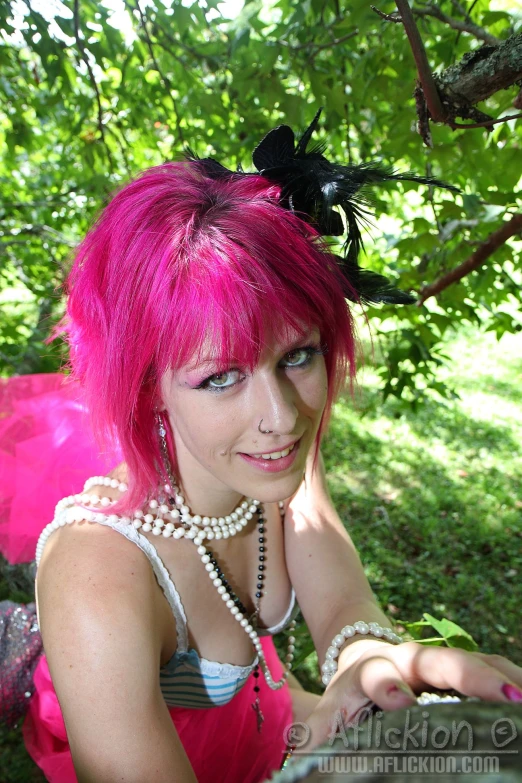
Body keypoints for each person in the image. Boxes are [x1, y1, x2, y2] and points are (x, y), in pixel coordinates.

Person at [2, 114, 522, 783]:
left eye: (298, 355)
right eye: (219, 377)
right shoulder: (98, 574)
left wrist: (365, 653)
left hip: (263, 723)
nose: (282, 416)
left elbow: (341, 604)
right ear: (149, 387)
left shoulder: (278, 463)